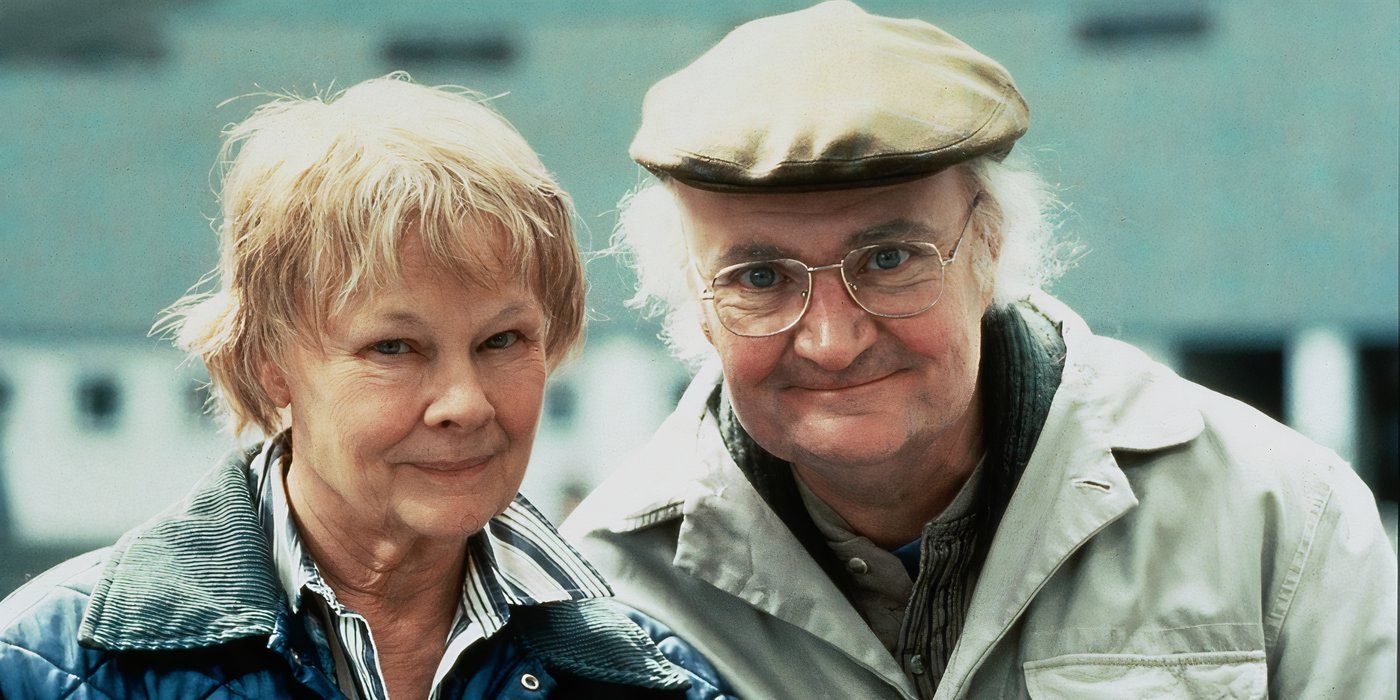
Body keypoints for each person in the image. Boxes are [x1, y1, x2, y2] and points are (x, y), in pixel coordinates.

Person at [562, 3, 1399, 698]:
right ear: (693, 300)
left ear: (992, 247)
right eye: (759, 277)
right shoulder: (605, 591)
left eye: (888, 260)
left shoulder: (1275, 514)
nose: (830, 339)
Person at [0, 74, 727, 699]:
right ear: (267, 362)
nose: (464, 404)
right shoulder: (49, 666)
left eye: (501, 340)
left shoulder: (656, 678)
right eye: (394, 348)